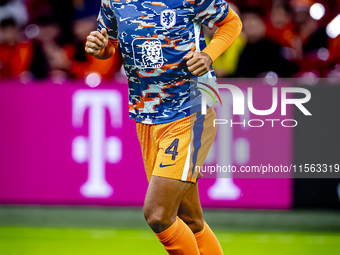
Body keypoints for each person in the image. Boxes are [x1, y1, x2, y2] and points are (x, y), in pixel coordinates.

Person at [85, 0, 242, 254]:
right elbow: (110, 44)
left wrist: (208, 54)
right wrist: (101, 48)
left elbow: (231, 22)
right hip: (146, 115)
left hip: (191, 107)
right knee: (190, 219)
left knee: (157, 213)